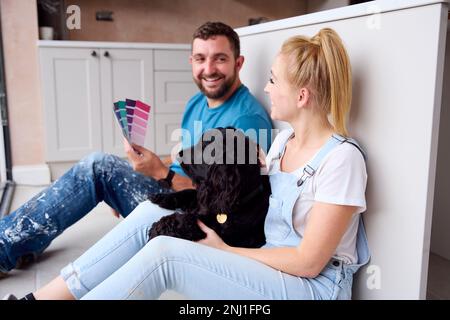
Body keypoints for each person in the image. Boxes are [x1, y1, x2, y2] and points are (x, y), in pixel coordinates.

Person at [5, 27, 369, 300]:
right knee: (152, 211)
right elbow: (241, 192)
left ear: (302, 95)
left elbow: (308, 262)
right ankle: (44, 299)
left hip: (311, 287)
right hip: (265, 258)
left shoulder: (342, 159)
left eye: (274, 80)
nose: (268, 88)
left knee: (166, 254)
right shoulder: (282, 144)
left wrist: (223, 251)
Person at [0, 21, 272, 275]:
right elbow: (188, 159)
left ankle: (5, 245)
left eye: (220, 59)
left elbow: (225, 202)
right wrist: (137, 174)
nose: (209, 69)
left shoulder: (246, 121)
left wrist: (160, 174)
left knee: (99, 167)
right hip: (172, 188)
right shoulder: (197, 102)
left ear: (238, 63)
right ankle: (19, 242)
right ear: (191, 62)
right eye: (201, 59)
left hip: (198, 214)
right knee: (107, 170)